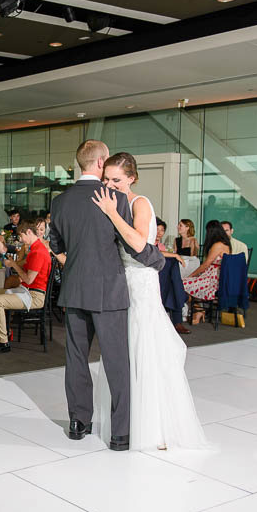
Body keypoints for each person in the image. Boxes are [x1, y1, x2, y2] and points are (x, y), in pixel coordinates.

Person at [49, 140, 165, 451]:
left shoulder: (59, 202)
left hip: (73, 289)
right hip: (109, 290)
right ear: (101, 163)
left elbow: (57, 247)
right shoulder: (113, 198)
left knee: (75, 358)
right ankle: (120, 434)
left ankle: (78, 423)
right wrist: (159, 260)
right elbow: (131, 245)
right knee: (116, 362)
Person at [92, 152, 207, 451]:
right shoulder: (108, 202)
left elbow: (140, 244)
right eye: (106, 179)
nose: (110, 184)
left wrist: (112, 213)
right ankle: (122, 422)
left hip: (140, 284)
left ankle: (152, 427)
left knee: (145, 348)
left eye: (116, 179)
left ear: (132, 178)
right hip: (118, 283)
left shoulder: (138, 203)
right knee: (121, 351)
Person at [0, 219, 53, 354]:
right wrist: (13, 262)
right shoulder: (35, 248)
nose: (20, 240)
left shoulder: (38, 252)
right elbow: (24, 264)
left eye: (21, 236)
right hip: (28, 291)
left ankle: (3, 341)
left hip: (34, 296)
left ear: (28, 232)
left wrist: (14, 264)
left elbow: (28, 278)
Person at [183, 220, 232, 325]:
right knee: (187, 284)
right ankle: (199, 309)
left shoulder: (217, 245)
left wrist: (191, 275)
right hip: (218, 277)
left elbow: (206, 264)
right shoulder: (226, 244)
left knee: (183, 283)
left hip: (212, 279)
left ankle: (199, 310)